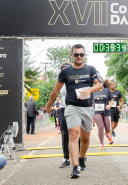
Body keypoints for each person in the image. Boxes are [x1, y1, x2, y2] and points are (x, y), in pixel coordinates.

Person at [45, 44, 103, 179]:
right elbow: (56, 90)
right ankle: (75, 166)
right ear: (72, 55)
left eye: (81, 54)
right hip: (71, 107)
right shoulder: (65, 72)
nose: (79, 57)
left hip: (87, 107)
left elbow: (100, 85)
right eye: (76, 54)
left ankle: (82, 158)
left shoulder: (90, 69)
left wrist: (89, 90)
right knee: (73, 134)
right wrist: (49, 105)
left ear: (84, 55)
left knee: (85, 138)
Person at [93, 79, 114, 149]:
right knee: (101, 127)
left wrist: (109, 106)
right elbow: (91, 102)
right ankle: (101, 143)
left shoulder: (107, 90)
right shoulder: (93, 91)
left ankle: (107, 134)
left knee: (108, 129)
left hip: (105, 111)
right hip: (96, 111)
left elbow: (112, 101)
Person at [58, 62, 71, 168]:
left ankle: (80, 156)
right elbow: (55, 91)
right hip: (63, 108)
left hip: (75, 108)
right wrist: (47, 107)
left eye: (66, 68)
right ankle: (66, 158)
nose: (64, 70)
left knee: (77, 133)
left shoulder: (75, 80)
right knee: (65, 134)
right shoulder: (60, 81)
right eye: (62, 69)